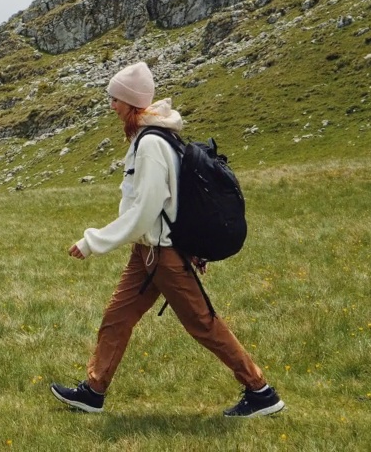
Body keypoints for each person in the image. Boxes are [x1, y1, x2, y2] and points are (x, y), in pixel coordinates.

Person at [50, 61, 285, 418]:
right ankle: (93, 392)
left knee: (203, 324)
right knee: (117, 318)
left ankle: (261, 392)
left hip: (162, 256)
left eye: (115, 99)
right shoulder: (153, 137)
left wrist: (92, 242)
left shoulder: (150, 145)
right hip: (148, 254)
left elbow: (145, 210)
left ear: (131, 102)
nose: (111, 105)